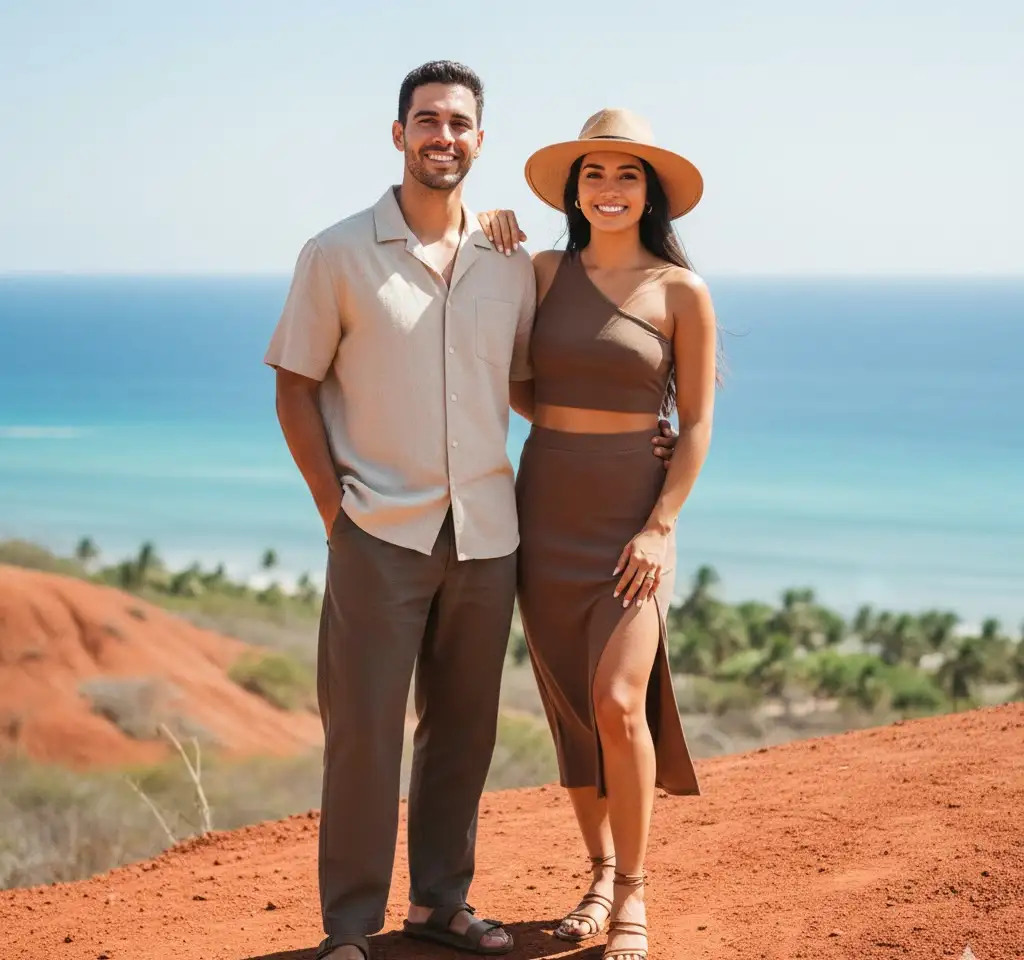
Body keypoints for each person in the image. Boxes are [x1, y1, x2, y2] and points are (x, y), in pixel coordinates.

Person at [264, 64, 676, 960]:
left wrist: (632, 432)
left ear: (479, 141)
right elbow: (294, 387)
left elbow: (531, 384)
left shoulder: (507, 262)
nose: (442, 137)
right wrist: (335, 511)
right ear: (399, 133)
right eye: (426, 121)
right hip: (378, 530)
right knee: (365, 735)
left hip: (490, 534)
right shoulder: (335, 253)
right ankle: (349, 927)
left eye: (458, 124)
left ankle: (440, 904)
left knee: (463, 732)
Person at [480, 108, 718, 960]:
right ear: (574, 190)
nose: (609, 189)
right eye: (594, 174)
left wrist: (661, 525)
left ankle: (633, 894)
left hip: (631, 518)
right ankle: (594, 871)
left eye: (627, 175)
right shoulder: (540, 272)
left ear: (649, 192)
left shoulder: (681, 291)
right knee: (576, 712)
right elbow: (517, 383)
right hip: (543, 509)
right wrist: (488, 227)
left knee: (621, 702)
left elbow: (694, 426)